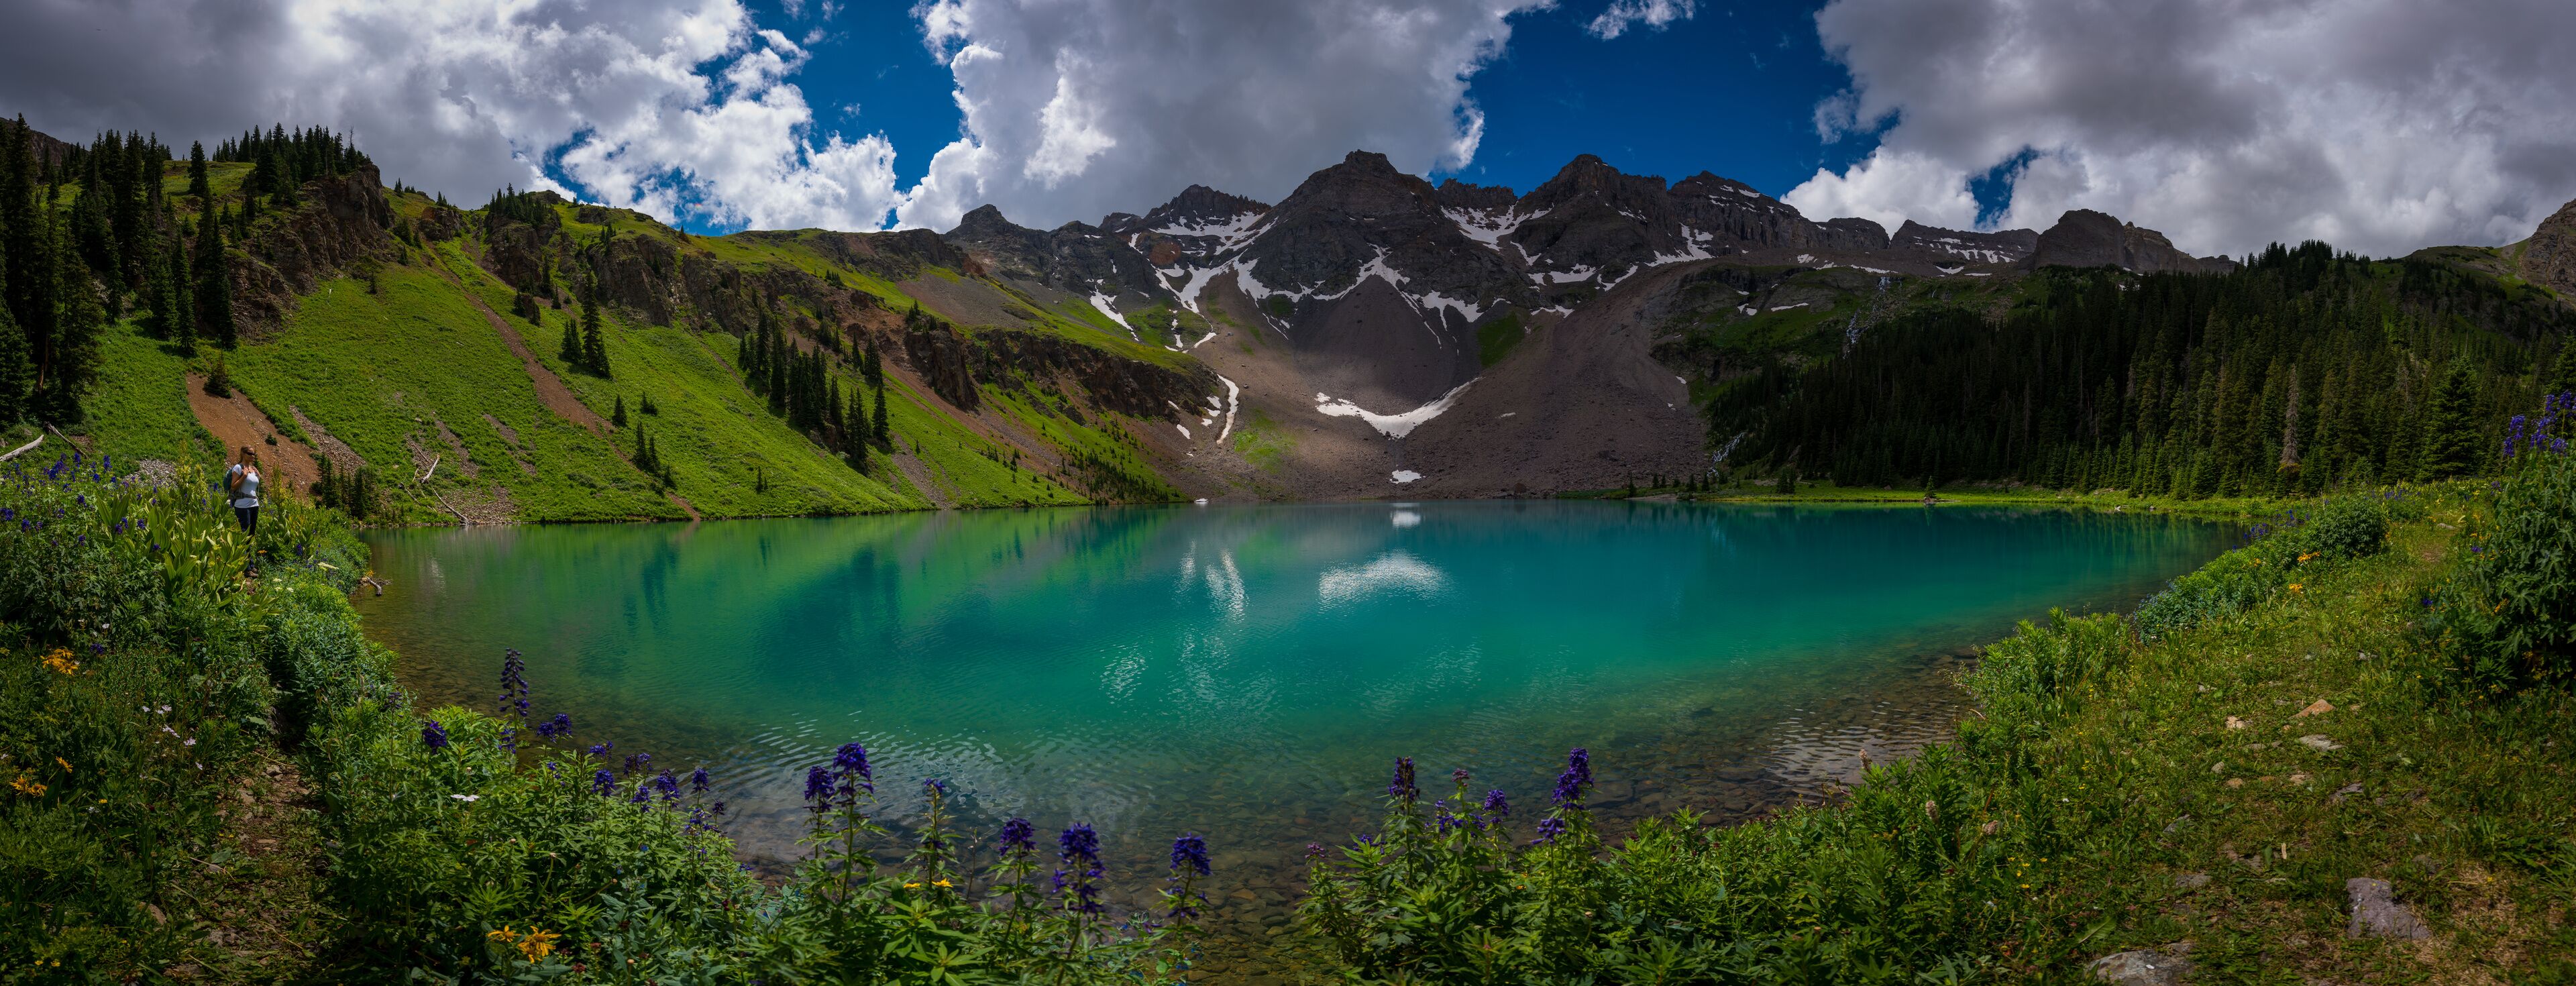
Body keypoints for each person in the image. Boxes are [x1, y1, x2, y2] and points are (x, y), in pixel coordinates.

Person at [227, 446, 263, 537]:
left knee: (251, 534)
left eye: (254, 454)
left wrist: (259, 476)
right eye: (250, 454)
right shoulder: (238, 468)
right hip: (243, 505)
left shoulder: (253, 469)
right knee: (244, 534)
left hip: (254, 504)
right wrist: (244, 476)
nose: (253, 456)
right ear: (243, 454)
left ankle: (249, 552)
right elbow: (233, 486)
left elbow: (253, 486)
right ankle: (243, 552)